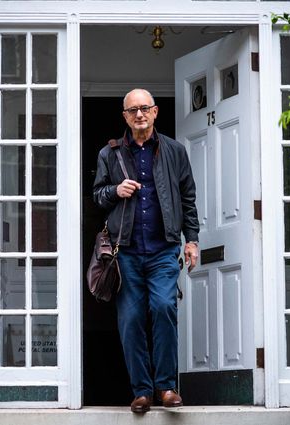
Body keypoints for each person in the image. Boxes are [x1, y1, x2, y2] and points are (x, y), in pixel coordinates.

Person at [93, 88, 199, 413]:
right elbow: (97, 196)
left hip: (163, 250)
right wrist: (114, 190)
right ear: (125, 117)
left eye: (145, 108)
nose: (139, 115)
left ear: (155, 112)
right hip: (124, 253)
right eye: (132, 110)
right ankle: (142, 391)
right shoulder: (109, 155)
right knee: (131, 319)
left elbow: (187, 199)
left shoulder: (175, 151)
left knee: (165, 308)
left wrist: (191, 240)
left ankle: (166, 387)